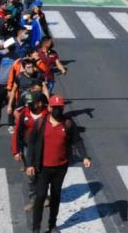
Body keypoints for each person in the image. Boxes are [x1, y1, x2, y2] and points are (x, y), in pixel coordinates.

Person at [25, 95, 92, 233]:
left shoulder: (68, 124)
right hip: (43, 168)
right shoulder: (41, 123)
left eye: (59, 108)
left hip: (60, 167)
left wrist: (84, 156)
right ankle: (36, 228)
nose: (57, 110)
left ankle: (52, 225)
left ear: (63, 108)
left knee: (56, 196)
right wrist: (30, 164)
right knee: (41, 196)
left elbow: (77, 141)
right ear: (49, 107)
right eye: (54, 108)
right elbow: (31, 144)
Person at [11, 92, 48, 212]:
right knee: (31, 175)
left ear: (40, 103)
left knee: (43, 174)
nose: (29, 105)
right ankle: (33, 200)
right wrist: (16, 151)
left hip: (45, 148)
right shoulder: (24, 114)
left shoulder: (48, 114)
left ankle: (44, 196)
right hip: (28, 149)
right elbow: (17, 132)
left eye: (32, 103)